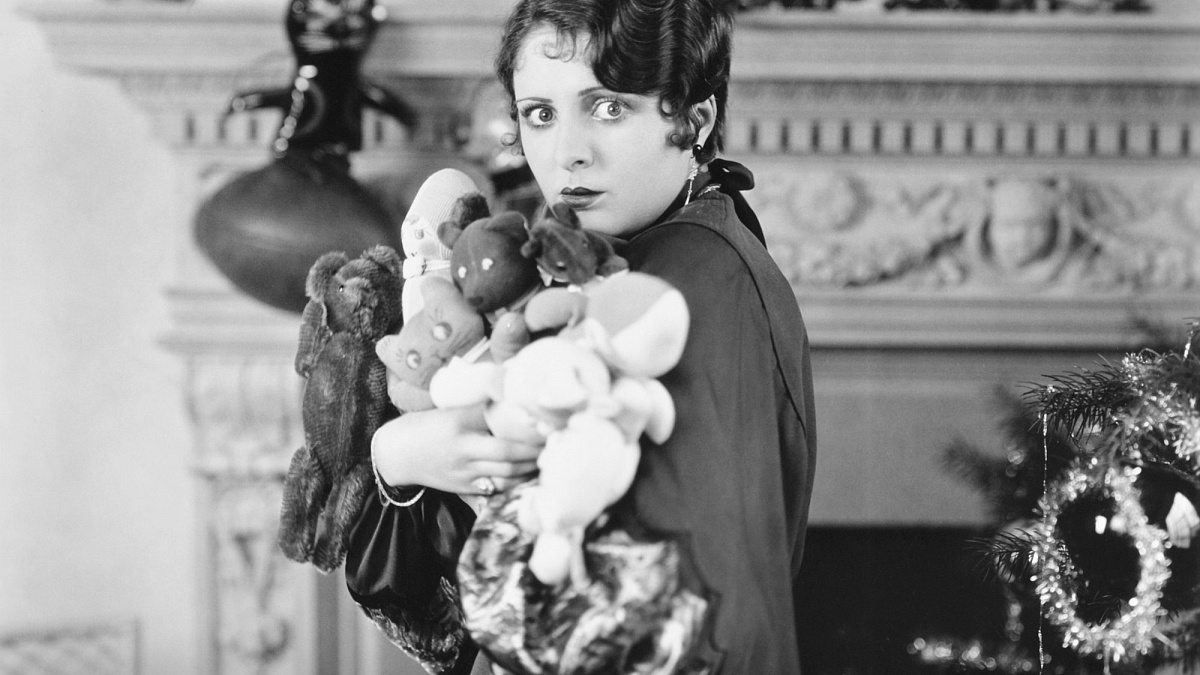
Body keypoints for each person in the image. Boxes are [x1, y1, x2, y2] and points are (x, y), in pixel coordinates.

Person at [362, 0, 817, 672]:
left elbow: (605, 609)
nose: (568, 152)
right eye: (540, 114)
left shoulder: (685, 284)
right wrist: (404, 459)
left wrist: (398, 450)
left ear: (695, 120)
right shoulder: (626, 261)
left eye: (608, 107)